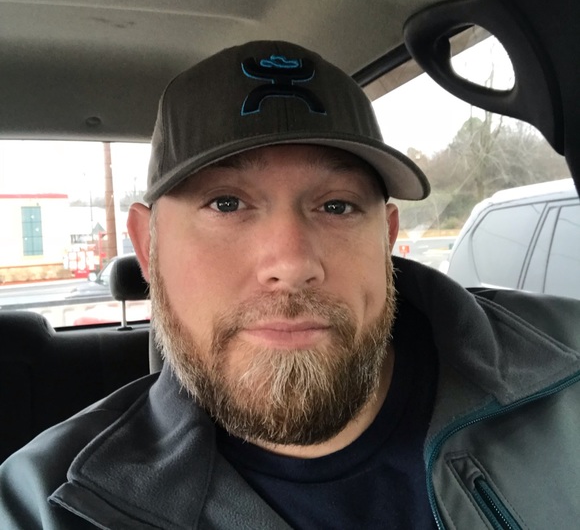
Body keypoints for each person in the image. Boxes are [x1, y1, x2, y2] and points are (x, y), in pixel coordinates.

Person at [1, 40, 580, 530]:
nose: (292, 262)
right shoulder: (47, 505)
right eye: (226, 203)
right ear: (148, 247)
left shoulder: (569, 369)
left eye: (337, 205)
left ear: (386, 238)